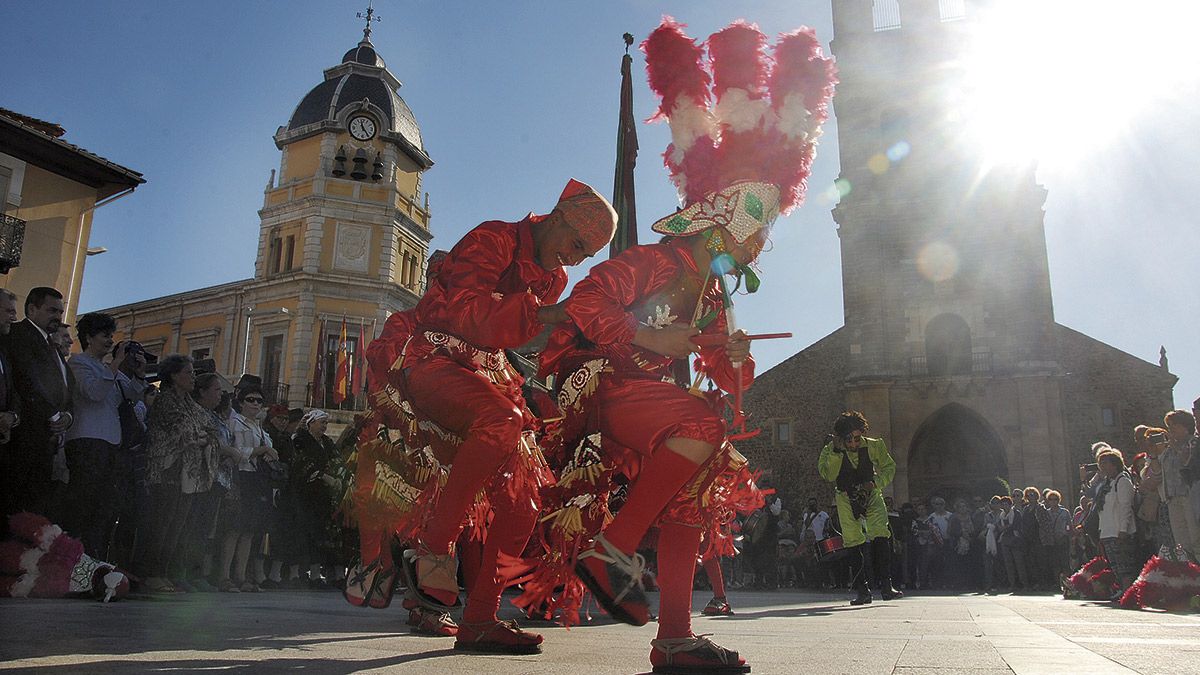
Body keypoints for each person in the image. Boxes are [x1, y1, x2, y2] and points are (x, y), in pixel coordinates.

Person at [61, 313, 146, 557]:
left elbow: (132, 394)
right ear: (89, 337)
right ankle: (75, 559)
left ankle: (95, 559)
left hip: (111, 445)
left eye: (111, 335)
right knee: (84, 505)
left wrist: (139, 373)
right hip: (86, 441)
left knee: (105, 507)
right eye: (104, 335)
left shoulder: (108, 369)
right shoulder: (78, 363)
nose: (110, 341)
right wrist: (116, 365)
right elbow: (95, 392)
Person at [139, 355, 219, 593]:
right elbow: (185, 432)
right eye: (188, 372)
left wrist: (201, 437)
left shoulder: (190, 405)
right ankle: (151, 573)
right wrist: (200, 437)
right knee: (162, 522)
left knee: (178, 525)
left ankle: (164, 572)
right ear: (174, 375)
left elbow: (211, 430)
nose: (193, 377)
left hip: (188, 472)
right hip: (166, 470)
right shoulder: (165, 401)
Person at [0, 287, 74, 518]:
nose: (58, 317)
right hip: (25, 438)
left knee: (34, 512)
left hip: (46, 442)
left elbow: (66, 389)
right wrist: (53, 416)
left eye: (60, 312)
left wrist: (67, 416)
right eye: (52, 310)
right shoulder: (19, 334)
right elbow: (26, 379)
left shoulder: (52, 346)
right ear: (32, 309)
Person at [818, 411, 901, 605]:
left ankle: (887, 586)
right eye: (849, 440)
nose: (854, 444)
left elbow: (889, 467)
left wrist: (876, 482)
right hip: (845, 496)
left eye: (857, 438)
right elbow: (828, 475)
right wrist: (837, 453)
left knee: (881, 532)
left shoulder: (874, 445)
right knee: (853, 540)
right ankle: (862, 590)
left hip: (871, 494)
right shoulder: (830, 450)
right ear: (841, 438)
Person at [217, 387, 278, 593]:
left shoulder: (259, 427)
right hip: (239, 477)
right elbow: (236, 452)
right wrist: (261, 450)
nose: (255, 404)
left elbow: (268, 452)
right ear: (241, 403)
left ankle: (241, 576)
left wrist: (270, 453)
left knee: (249, 531)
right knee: (233, 529)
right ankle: (224, 576)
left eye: (259, 401)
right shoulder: (234, 423)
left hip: (257, 480)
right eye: (250, 399)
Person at [1094, 448, 1137, 594]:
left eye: (1105, 463)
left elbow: (1126, 507)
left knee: (1124, 564)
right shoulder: (1106, 484)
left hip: (1119, 531)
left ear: (1115, 464)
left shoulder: (1123, 481)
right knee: (1115, 565)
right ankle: (1122, 590)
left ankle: (1128, 592)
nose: (1102, 467)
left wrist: (1123, 529)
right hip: (1107, 531)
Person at [1162, 410, 1199, 558]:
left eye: (1174, 425)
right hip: (1173, 497)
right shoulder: (1168, 449)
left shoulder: (1193, 443)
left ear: (1185, 426)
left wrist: (1176, 447)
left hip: (1188, 495)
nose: (1170, 429)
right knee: (1182, 543)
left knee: (1196, 537)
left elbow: (1188, 463)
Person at [0, 289, 22, 452]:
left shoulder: (4, 353)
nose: (14, 318)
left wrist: (12, 416)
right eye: (9, 311)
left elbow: (12, 391)